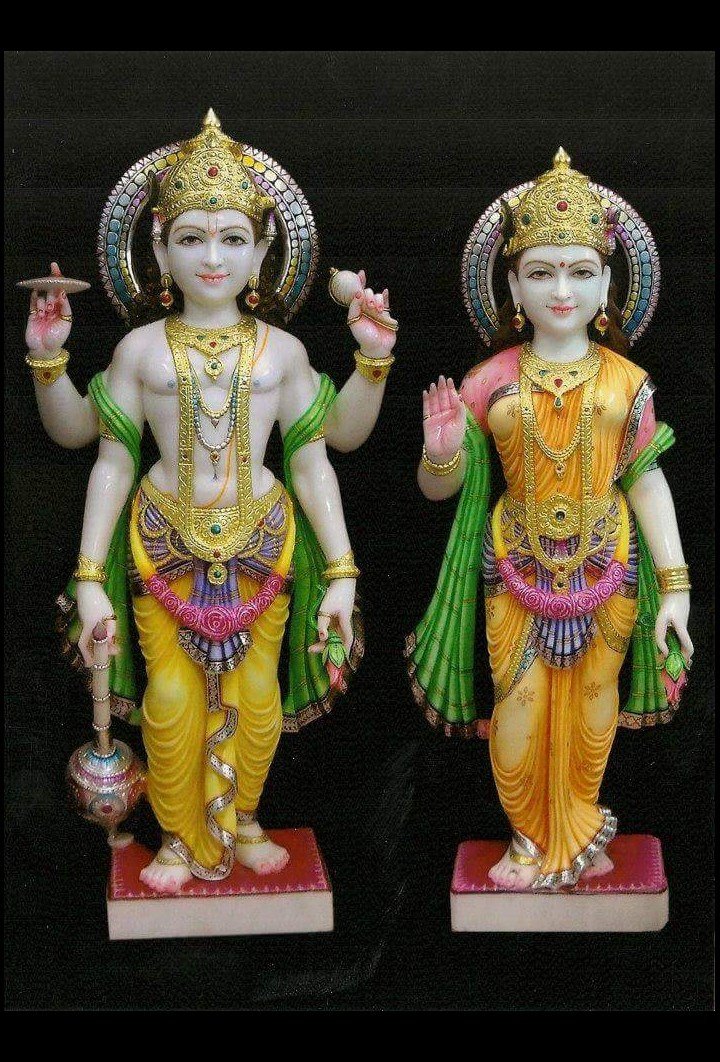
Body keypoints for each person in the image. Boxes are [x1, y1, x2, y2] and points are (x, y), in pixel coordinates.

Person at [25, 111, 397, 895]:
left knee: (257, 699)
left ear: (262, 253)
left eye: (233, 238)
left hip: (264, 544)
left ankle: (244, 821)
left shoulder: (283, 353)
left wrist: (372, 364)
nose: (214, 257)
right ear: (160, 250)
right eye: (192, 238)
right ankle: (177, 835)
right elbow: (96, 448)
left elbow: (326, 450)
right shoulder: (139, 350)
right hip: (163, 543)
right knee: (168, 701)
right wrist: (48, 359)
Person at [406, 149, 692, 890]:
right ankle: (530, 837)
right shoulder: (487, 381)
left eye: (579, 272)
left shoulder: (628, 382)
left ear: (606, 284)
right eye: (540, 273)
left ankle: (580, 827)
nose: (561, 291)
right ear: (511, 284)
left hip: (609, 565)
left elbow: (647, 480)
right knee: (520, 708)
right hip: (515, 565)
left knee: (594, 712)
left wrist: (677, 587)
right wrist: (442, 451)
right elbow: (440, 491)